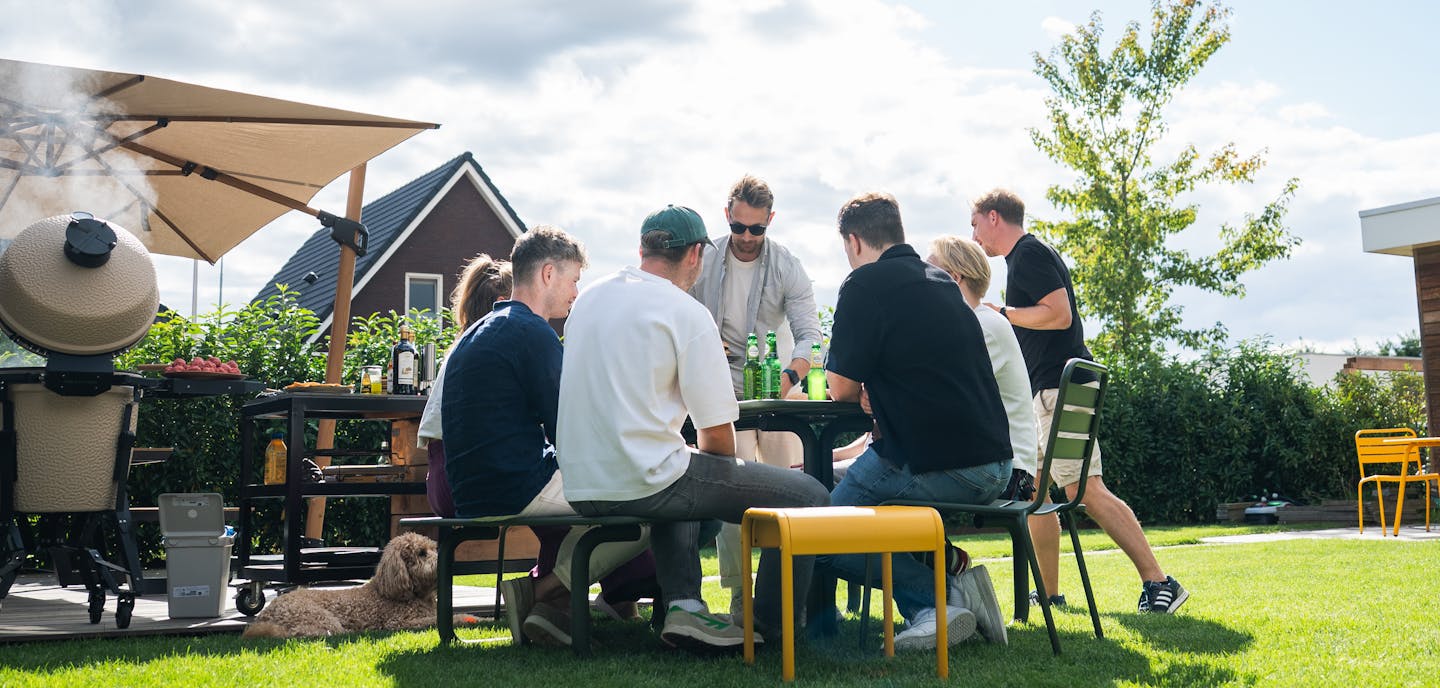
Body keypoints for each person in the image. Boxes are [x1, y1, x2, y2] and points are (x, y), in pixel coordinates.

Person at [557, 204, 830, 652]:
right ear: (696, 256)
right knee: (810, 496)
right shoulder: (685, 312)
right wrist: (726, 474)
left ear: (642, 250)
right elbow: (718, 436)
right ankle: (768, 628)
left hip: (581, 482)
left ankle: (685, 607)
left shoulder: (588, 299)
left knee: (681, 466)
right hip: (642, 481)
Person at [970, 188, 1188, 614]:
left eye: (975, 224)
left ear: (994, 217)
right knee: (1033, 491)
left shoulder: (1029, 254)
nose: (974, 236)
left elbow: (1060, 314)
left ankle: (1160, 582)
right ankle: (1049, 595)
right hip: (1047, 393)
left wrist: (1004, 314)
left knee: (1085, 489)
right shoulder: (1022, 259)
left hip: (1063, 389)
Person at [819, 191, 1012, 651]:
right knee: (853, 508)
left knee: (820, 535)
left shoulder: (864, 285)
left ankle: (937, 603)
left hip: (933, 462)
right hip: (996, 464)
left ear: (853, 242)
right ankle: (953, 596)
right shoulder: (942, 282)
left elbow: (841, 389)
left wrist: (865, 387)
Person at [440, 227, 651, 647]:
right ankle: (538, 593)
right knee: (651, 506)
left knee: (612, 499)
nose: (577, 292)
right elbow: (572, 429)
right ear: (549, 274)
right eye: (574, 280)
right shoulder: (532, 332)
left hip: (470, 492)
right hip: (515, 486)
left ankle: (551, 611)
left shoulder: (480, 331)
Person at [689, 174, 823, 616]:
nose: (747, 238)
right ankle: (739, 596)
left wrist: (790, 376)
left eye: (757, 229)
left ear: (771, 221)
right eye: (739, 227)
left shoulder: (788, 265)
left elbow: (809, 335)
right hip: (721, 391)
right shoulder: (701, 258)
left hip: (779, 391)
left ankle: (791, 599)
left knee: (793, 494)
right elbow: (677, 308)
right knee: (731, 495)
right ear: (728, 216)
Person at [924, 234, 1041, 644]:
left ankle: (948, 587)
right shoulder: (985, 321)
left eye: (928, 272)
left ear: (952, 278)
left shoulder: (979, 325)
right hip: (1009, 464)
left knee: (886, 491)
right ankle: (948, 575)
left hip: (1007, 473)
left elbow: (935, 397)